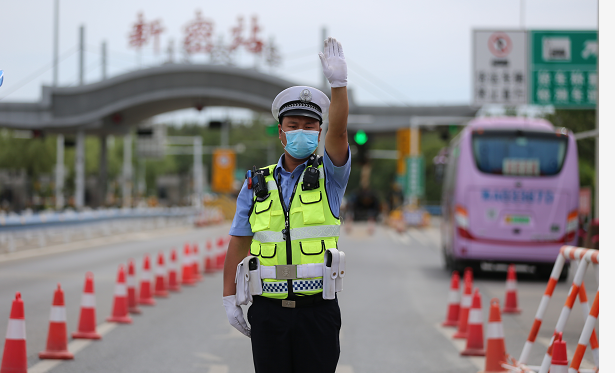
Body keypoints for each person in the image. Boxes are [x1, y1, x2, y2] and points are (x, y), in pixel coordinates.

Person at [222, 37, 350, 373]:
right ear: (281, 133)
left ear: (319, 131)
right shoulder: (256, 183)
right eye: (293, 127)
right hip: (269, 312)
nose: (301, 133)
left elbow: (339, 134)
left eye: (310, 127)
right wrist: (228, 297)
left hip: (318, 312)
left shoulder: (331, 177)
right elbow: (238, 241)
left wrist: (338, 87)